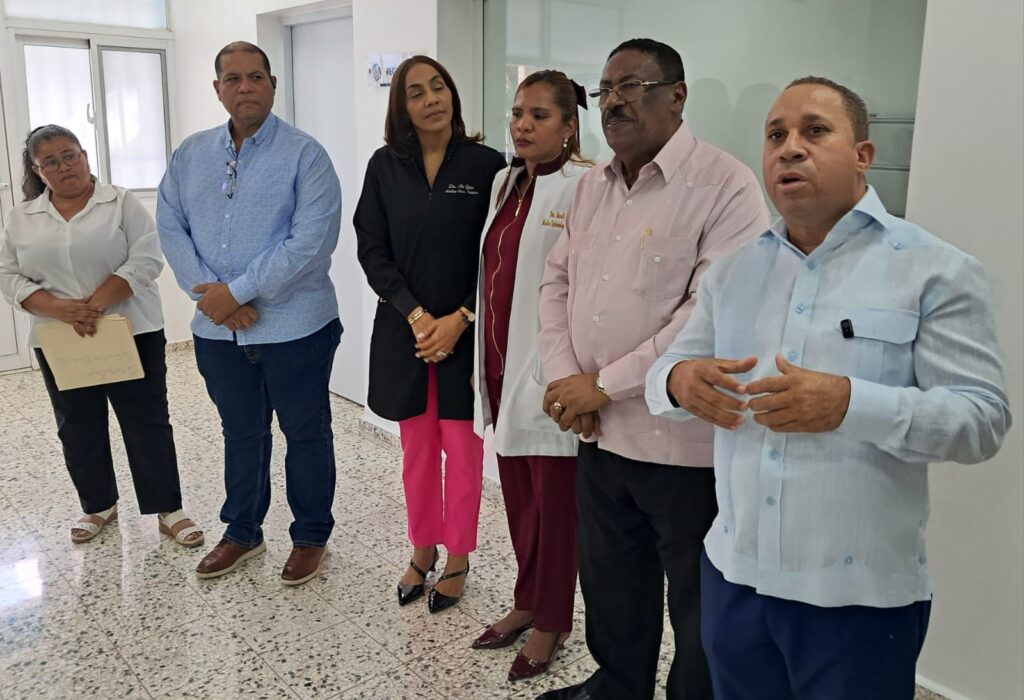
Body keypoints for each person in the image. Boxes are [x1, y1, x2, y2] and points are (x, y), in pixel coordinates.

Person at [645, 77, 1011, 700]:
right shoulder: (733, 273)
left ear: (862, 155)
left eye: (814, 131)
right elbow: (670, 367)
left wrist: (850, 404)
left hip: (857, 599)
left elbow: (981, 421)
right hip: (734, 579)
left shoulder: (935, 271)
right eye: (775, 135)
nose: (789, 148)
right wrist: (679, 381)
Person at [537, 39, 770, 700]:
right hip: (599, 436)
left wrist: (601, 385)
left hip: (684, 450)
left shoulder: (727, 186)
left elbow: (709, 317)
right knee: (611, 584)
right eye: (604, 89)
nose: (612, 101)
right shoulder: (591, 187)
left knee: (697, 608)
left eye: (630, 86)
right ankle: (618, 686)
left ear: (677, 95)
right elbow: (556, 285)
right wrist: (567, 382)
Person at [157, 41, 342, 586]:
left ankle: (310, 536)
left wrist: (236, 292)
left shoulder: (306, 155)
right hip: (217, 332)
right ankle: (242, 531)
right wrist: (211, 298)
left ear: (272, 85)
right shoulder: (190, 154)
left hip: (298, 328)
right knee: (241, 433)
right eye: (233, 78)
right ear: (217, 88)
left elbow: (311, 242)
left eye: (256, 77)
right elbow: (170, 226)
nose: (245, 87)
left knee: (306, 433)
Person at [0, 124, 203, 548]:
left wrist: (93, 306)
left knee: (146, 422)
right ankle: (98, 505)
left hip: (131, 329)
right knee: (77, 424)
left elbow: (147, 258)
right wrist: (59, 309)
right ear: (37, 170)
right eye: (51, 162)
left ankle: (168, 509)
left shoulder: (121, 202)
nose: (64, 167)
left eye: (70, 155)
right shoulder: (21, 217)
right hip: (59, 337)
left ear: (84, 156)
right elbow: (8, 273)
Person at [355, 55, 506, 613]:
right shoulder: (384, 167)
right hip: (407, 335)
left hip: (467, 334)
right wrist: (417, 316)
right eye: (416, 92)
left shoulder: (487, 165)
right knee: (417, 452)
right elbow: (371, 249)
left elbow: (497, 255)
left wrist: (461, 316)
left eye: (438, 86)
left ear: (452, 93)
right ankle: (422, 549)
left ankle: (459, 555)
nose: (431, 99)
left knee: (463, 453)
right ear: (402, 107)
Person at [469, 70, 590, 681]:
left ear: (569, 126)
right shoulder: (504, 180)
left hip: (548, 376)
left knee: (555, 506)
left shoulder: (584, 185)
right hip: (498, 364)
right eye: (518, 113)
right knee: (519, 500)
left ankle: (552, 619)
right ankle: (526, 601)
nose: (522, 125)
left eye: (540, 115)